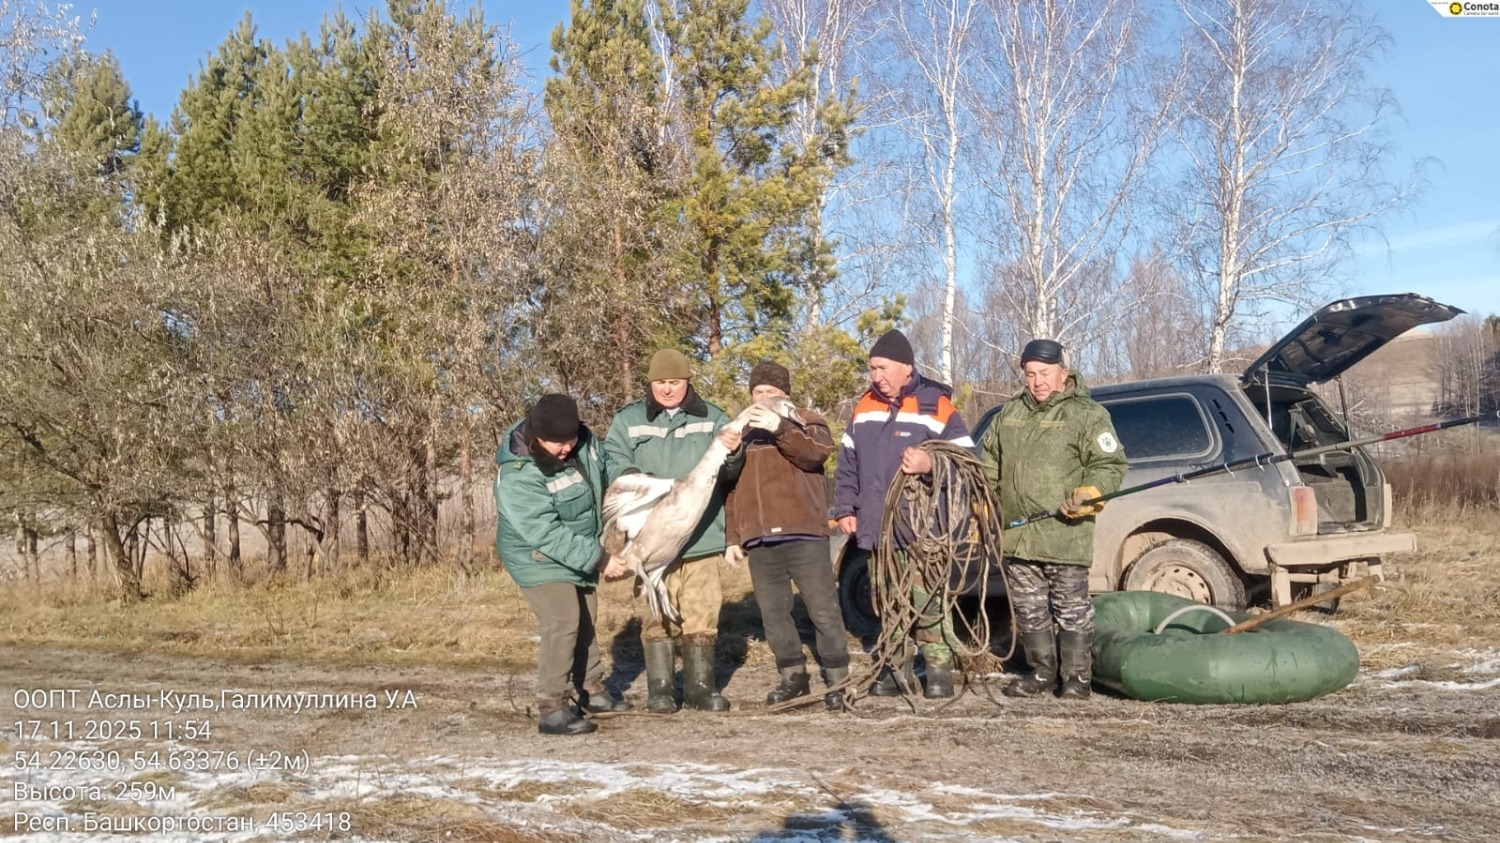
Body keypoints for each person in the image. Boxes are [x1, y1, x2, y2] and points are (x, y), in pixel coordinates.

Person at [978, 339, 1128, 699]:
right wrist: (983, 502)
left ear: (1063, 372)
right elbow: (987, 465)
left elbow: (1110, 464)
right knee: (1029, 610)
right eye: (1030, 374)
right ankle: (1042, 672)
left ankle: (1076, 679)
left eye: (1045, 373)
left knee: (1072, 610)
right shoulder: (1008, 414)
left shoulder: (1087, 414)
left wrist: (1090, 494)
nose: (1038, 381)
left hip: (1064, 534)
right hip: (1018, 537)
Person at [833, 329, 973, 698]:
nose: (875, 375)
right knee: (887, 602)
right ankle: (895, 670)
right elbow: (847, 464)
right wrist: (846, 507)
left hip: (924, 528)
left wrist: (931, 462)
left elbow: (969, 463)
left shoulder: (935, 405)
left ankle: (939, 673)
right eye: (872, 368)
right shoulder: (864, 408)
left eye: (881, 367)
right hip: (877, 527)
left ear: (905, 368)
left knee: (927, 601)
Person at [605, 349, 744, 712]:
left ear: (687, 381)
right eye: (660, 383)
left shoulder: (712, 418)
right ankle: (661, 690)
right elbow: (613, 460)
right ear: (650, 383)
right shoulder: (628, 420)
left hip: (700, 535)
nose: (667, 389)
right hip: (650, 538)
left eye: (675, 382)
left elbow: (729, 472)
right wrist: (643, 482)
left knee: (702, 610)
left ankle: (700, 689)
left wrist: (733, 452)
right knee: (656, 613)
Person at [495, 394, 633, 735]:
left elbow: (605, 466)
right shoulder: (518, 473)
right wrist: (599, 559)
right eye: (555, 443)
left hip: (579, 545)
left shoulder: (585, 441)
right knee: (563, 620)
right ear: (536, 435)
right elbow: (544, 532)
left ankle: (593, 690)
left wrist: (629, 477)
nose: (565, 448)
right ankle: (552, 707)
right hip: (536, 554)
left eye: (569, 440)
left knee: (586, 614)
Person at [724, 361, 851, 710]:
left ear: (784, 394)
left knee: (822, 607)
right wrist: (733, 537)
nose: (763, 398)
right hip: (760, 538)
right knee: (774, 613)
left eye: (770, 392)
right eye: (757, 392)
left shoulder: (807, 419)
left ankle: (839, 678)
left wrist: (781, 427)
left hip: (804, 531)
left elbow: (815, 455)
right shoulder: (742, 431)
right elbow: (729, 488)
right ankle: (792, 676)